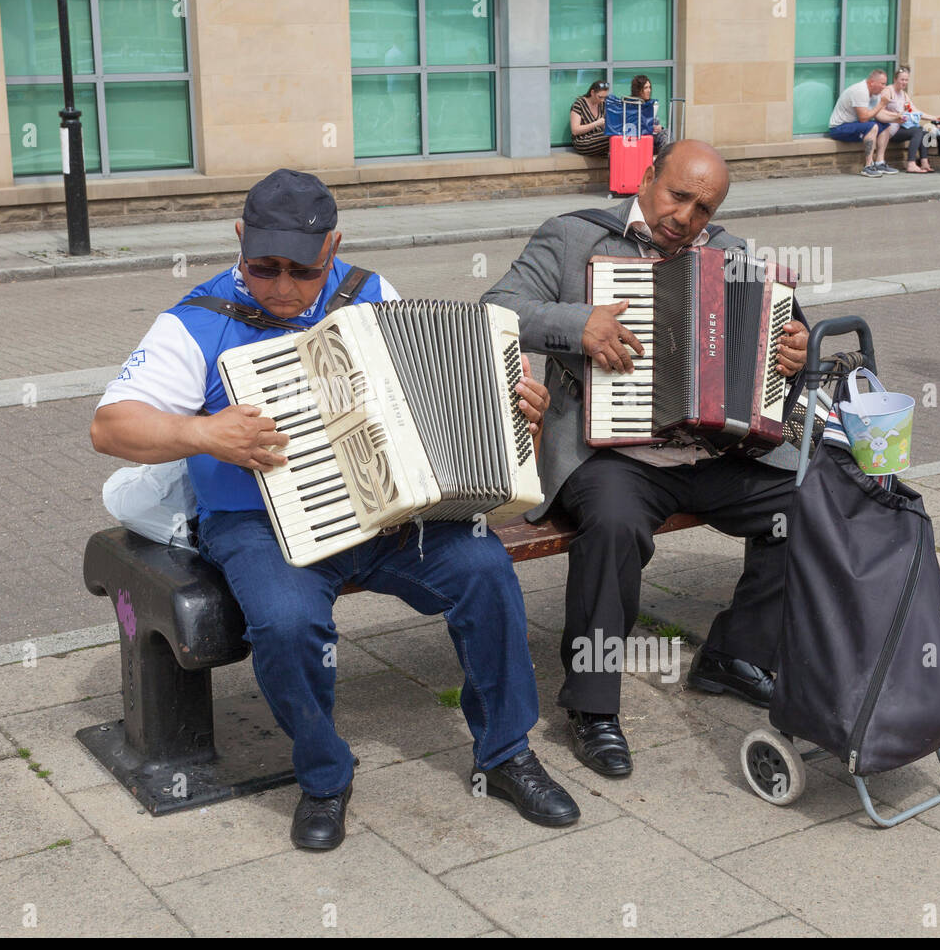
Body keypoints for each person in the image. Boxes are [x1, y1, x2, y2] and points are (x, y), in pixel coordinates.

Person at [91, 168, 580, 850]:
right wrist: (202, 433)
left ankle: (506, 754)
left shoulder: (368, 293)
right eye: (264, 268)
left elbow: (431, 404)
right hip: (260, 522)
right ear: (240, 240)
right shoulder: (195, 322)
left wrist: (511, 412)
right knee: (287, 624)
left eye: (303, 270)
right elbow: (110, 427)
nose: (283, 288)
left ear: (335, 247)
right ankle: (324, 776)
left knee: (485, 571)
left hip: (389, 513)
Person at [481, 141, 810, 780]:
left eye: (703, 206)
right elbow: (497, 308)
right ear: (648, 176)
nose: (686, 216)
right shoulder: (573, 237)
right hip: (610, 452)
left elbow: (777, 332)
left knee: (807, 499)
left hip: (707, 448)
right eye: (677, 196)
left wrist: (790, 345)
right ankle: (592, 707)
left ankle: (733, 654)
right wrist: (576, 325)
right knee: (613, 525)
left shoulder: (732, 255)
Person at [827, 68, 910, 177]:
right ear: (872, 82)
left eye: (885, 84)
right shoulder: (860, 91)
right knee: (872, 126)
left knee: (885, 126)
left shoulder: (875, 93)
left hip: (854, 125)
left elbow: (878, 114)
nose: (884, 87)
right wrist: (881, 104)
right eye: (882, 84)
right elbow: (864, 118)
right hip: (839, 128)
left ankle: (880, 163)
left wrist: (895, 119)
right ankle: (868, 166)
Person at [570, 79, 611, 158]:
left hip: (599, 139)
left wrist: (604, 126)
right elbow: (575, 130)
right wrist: (596, 124)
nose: (602, 100)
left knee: (618, 136)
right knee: (611, 137)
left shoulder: (603, 105)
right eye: (600, 97)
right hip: (582, 141)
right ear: (592, 93)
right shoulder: (579, 105)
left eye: (605, 97)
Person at [629, 75, 668, 153]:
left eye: (649, 87)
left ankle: (665, 161)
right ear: (638, 90)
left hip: (651, 137)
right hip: (637, 137)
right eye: (645, 88)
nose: (649, 90)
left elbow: (656, 122)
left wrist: (659, 127)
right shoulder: (630, 104)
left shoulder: (651, 104)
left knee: (666, 133)